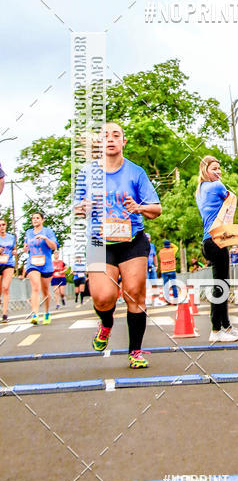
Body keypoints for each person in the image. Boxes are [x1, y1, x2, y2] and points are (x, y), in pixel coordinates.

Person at [74, 122, 162, 369]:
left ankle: (135, 351)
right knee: (103, 297)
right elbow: (77, 207)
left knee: (134, 293)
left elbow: (156, 209)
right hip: (99, 243)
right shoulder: (86, 174)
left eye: (116, 135)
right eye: (105, 136)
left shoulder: (136, 173)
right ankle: (106, 324)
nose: (110, 139)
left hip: (132, 241)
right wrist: (83, 208)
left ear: (124, 141)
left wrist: (138, 207)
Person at [195, 156, 238, 343]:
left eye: (219, 168)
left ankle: (226, 326)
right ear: (205, 170)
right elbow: (231, 199)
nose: (218, 172)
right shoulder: (217, 186)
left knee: (222, 284)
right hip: (216, 239)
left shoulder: (200, 190)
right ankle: (216, 329)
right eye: (214, 169)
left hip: (208, 241)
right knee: (221, 286)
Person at [23, 212, 58, 325]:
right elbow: (25, 248)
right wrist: (25, 247)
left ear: (42, 220)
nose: (35, 220)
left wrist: (45, 238)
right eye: (33, 218)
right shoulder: (28, 232)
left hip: (46, 264)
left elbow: (54, 246)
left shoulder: (48, 231)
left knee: (45, 290)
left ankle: (47, 313)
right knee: (35, 287)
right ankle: (35, 314)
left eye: (37, 218)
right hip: (32, 263)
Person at [0, 218, 16, 322]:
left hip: (8, 263)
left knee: (5, 287)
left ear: (6, 226)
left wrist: (14, 252)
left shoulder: (11, 237)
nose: (1, 227)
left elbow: (14, 249)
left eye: (3, 224)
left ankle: (5, 314)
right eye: (0, 225)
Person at [158, 240, 178, 305]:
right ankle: (175, 300)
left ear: (164, 245)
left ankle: (167, 300)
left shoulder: (161, 252)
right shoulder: (172, 250)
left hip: (164, 270)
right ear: (169, 245)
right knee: (174, 285)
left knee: (166, 286)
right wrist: (171, 244)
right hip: (172, 270)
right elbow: (176, 247)